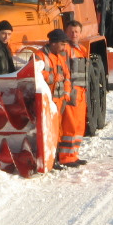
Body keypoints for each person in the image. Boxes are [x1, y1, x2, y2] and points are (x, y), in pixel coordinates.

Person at [33, 28, 72, 170]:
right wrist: (53, 78)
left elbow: (67, 76)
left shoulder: (60, 56)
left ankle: (56, 158)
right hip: (47, 101)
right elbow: (36, 73)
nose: (64, 47)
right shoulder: (39, 56)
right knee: (49, 130)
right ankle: (51, 160)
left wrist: (66, 94)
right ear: (54, 43)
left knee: (58, 130)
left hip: (59, 100)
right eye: (62, 44)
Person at [58, 20, 88, 167]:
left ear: (80, 33)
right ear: (66, 32)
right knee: (69, 125)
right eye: (71, 31)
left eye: (76, 31)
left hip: (81, 92)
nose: (74, 34)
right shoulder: (66, 49)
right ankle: (66, 157)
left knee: (78, 126)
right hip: (72, 92)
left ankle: (74, 154)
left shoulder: (81, 49)